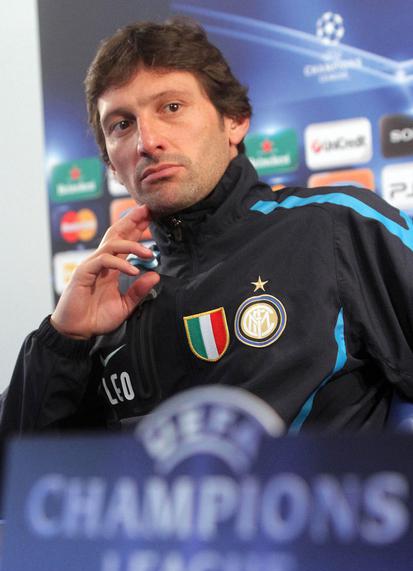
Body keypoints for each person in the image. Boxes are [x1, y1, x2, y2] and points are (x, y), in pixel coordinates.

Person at [1, 17, 413, 436]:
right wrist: (64, 341)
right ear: (110, 163)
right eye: (122, 124)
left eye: (171, 107)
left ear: (234, 120)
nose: (147, 142)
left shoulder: (339, 226)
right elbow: (22, 466)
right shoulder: (109, 297)